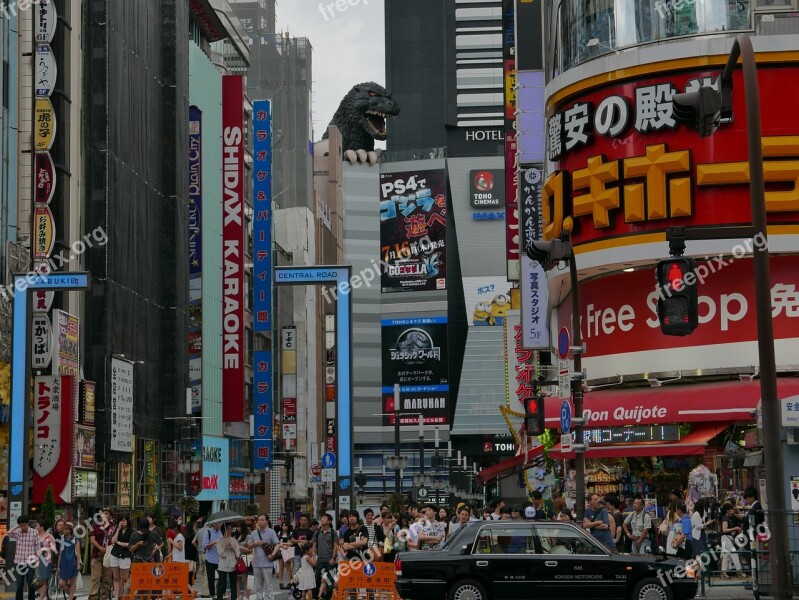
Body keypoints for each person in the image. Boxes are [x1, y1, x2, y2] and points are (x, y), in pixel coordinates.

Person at [7, 515, 42, 600]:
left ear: (28, 523)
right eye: (21, 525)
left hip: (31, 563)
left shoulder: (34, 532)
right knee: (19, 586)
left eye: (24, 525)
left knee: (31, 585)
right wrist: (17, 526)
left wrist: (37, 561)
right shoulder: (18, 532)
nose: (23, 527)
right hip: (19, 563)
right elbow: (8, 533)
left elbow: (38, 548)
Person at [247, 514, 280, 600]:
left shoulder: (271, 532)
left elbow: (277, 544)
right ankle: (259, 598)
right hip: (256, 563)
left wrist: (272, 555)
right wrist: (255, 544)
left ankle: (269, 598)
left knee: (268, 584)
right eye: (259, 520)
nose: (260, 522)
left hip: (267, 563)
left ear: (267, 521)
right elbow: (248, 546)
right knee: (258, 585)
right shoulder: (253, 533)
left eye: (262, 520)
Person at [311, 514, 338, 600]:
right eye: (321, 518)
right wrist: (313, 557)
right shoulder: (317, 532)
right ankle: (316, 597)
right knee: (316, 579)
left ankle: (327, 597)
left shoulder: (333, 533)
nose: (322, 519)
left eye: (325, 518)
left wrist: (333, 558)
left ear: (329, 521)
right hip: (320, 560)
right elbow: (314, 545)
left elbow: (335, 546)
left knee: (330, 581)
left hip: (330, 560)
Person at [720, 503, 746, 578]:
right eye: (730, 509)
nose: (732, 510)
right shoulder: (725, 518)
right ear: (727, 510)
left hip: (727, 538)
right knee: (734, 554)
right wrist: (735, 528)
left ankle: (724, 573)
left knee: (726, 556)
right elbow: (724, 530)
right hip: (726, 538)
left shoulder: (729, 517)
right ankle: (740, 571)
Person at [56, 523, 81, 600]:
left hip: (72, 562)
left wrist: (78, 564)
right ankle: (72, 596)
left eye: (66, 529)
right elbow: (60, 553)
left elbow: (78, 553)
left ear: (70, 530)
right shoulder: (62, 540)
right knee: (61, 583)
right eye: (64, 529)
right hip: (63, 563)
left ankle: (70, 598)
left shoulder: (75, 540)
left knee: (73, 582)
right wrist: (58, 565)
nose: (64, 530)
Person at [110, 515, 132, 600]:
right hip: (115, 554)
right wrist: (118, 529)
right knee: (116, 577)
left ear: (127, 521)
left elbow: (130, 544)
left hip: (125, 555)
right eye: (120, 521)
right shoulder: (116, 529)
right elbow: (113, 541)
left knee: (125, 578)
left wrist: (119, 543)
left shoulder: (131, 531)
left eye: (123, 521)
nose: (122, 522)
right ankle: (116, 597)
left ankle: (125, 596)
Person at [216, 524, 240, 600]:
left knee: (233, 584)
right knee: (221, 583)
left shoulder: (234, 540)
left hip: (232, 564)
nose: (230, 530)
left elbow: (238, 554)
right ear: (224, 530)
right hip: (223, 565)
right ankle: (219, 598)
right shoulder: (220, 540)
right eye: (228, 529)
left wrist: (233, 548)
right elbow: (220, 553)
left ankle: (233, 598)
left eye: (231, 529)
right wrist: (225, 546)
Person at [34, 518, 56, 600]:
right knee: (39, 580)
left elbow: (54, 549)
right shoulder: (35, 536)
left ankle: (41, 598)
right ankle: (45, 595)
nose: (35, 527)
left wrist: (45, 549)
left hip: (46, 560)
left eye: (37, 525)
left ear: (42, 527)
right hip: (36, 560)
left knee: (44, 579)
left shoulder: (49, 536)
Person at [691, 499, 714, 573]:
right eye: (704, 506)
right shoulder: (696, 514)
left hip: (701, 535)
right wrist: (706, 523)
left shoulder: (701, 514)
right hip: (697, 536)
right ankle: (695, 572)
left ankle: (699, 573)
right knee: (699, 555)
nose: (705, 508)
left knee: (702, 555)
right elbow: (697, 526)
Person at [202, 522, 223, 596]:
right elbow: (204, 546)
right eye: (218, 524)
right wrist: (213, 542)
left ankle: (220, 593)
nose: (219, 525)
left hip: (219, 559)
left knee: (222, 577)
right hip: (210, 559)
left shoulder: (221, 532)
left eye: (220, 524)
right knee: (211, 578)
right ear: (213, 524)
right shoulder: (208, 532)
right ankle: (212, 594)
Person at [290, 515, 312, 580]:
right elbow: (292, 540)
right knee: (296, 567)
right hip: (297, 552)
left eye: (304, 520)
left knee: (306, 568)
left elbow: (312, 541)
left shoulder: (309, 531)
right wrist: (299, 541)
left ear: (307, 521)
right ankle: (294, 582)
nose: (303, 521)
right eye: (302, 520)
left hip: (307, 553)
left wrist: (307, 541)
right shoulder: (296, 530)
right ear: (299, 521)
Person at [233, 522, 251, 600]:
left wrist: (239, 547)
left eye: (240, 527)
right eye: (237, 527)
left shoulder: (248, 537)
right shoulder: (235, 537)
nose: (238, 528)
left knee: (245, 580)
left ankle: (247, 597)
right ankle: (238, 596)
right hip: (236, 559)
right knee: (237, 580)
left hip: (244, 559)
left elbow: (250, 550)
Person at [277, 523, 294, 589]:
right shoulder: (279, 533)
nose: (284, 527)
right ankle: (280, 582)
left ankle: (289, 582)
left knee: (288, 567)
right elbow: (278, 542)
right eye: (283, 525)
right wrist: (282, 545)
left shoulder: (291, 533)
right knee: (281, 567)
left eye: (286, 525)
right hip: (281, 551)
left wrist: (283, 544)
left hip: (287, 551)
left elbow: (291, 543)